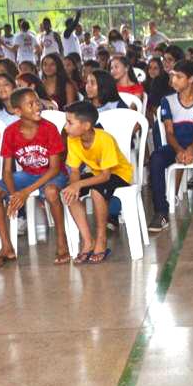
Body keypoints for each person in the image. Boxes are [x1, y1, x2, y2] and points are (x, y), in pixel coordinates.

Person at [0, 87, 69, 266]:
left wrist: (25, 192)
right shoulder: (10, 132)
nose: (37, 106)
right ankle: (6, 246)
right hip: (28, 174)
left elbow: (55, 168)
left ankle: (62, 242)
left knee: (51, 192)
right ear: (18, 111)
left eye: (37, 102)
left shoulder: (49, 128)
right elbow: (7, 171)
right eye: (30, 104)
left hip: (52, 175)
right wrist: (14, 194)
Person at [147, 60, 193, 232]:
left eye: (179, 77)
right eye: (173, 76)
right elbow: (169, 132)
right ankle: (161, 212)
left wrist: (191, 150)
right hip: (175, 145)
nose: (173, 80)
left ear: (191, 79)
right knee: (156, 158)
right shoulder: (167, 101)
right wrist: (179, 150)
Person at [61, 101, 133, 264]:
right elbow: (74, 171)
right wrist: (74, 187)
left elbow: (106, 176)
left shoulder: (104, 139)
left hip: (119, 174)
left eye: (70, 123)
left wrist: (78, 185)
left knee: (96, 191)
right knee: (69, 193)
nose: (66, 127)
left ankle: (101, 239)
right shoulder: (73, 139)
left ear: (86, 126)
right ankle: (88, 241)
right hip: (96, 174)